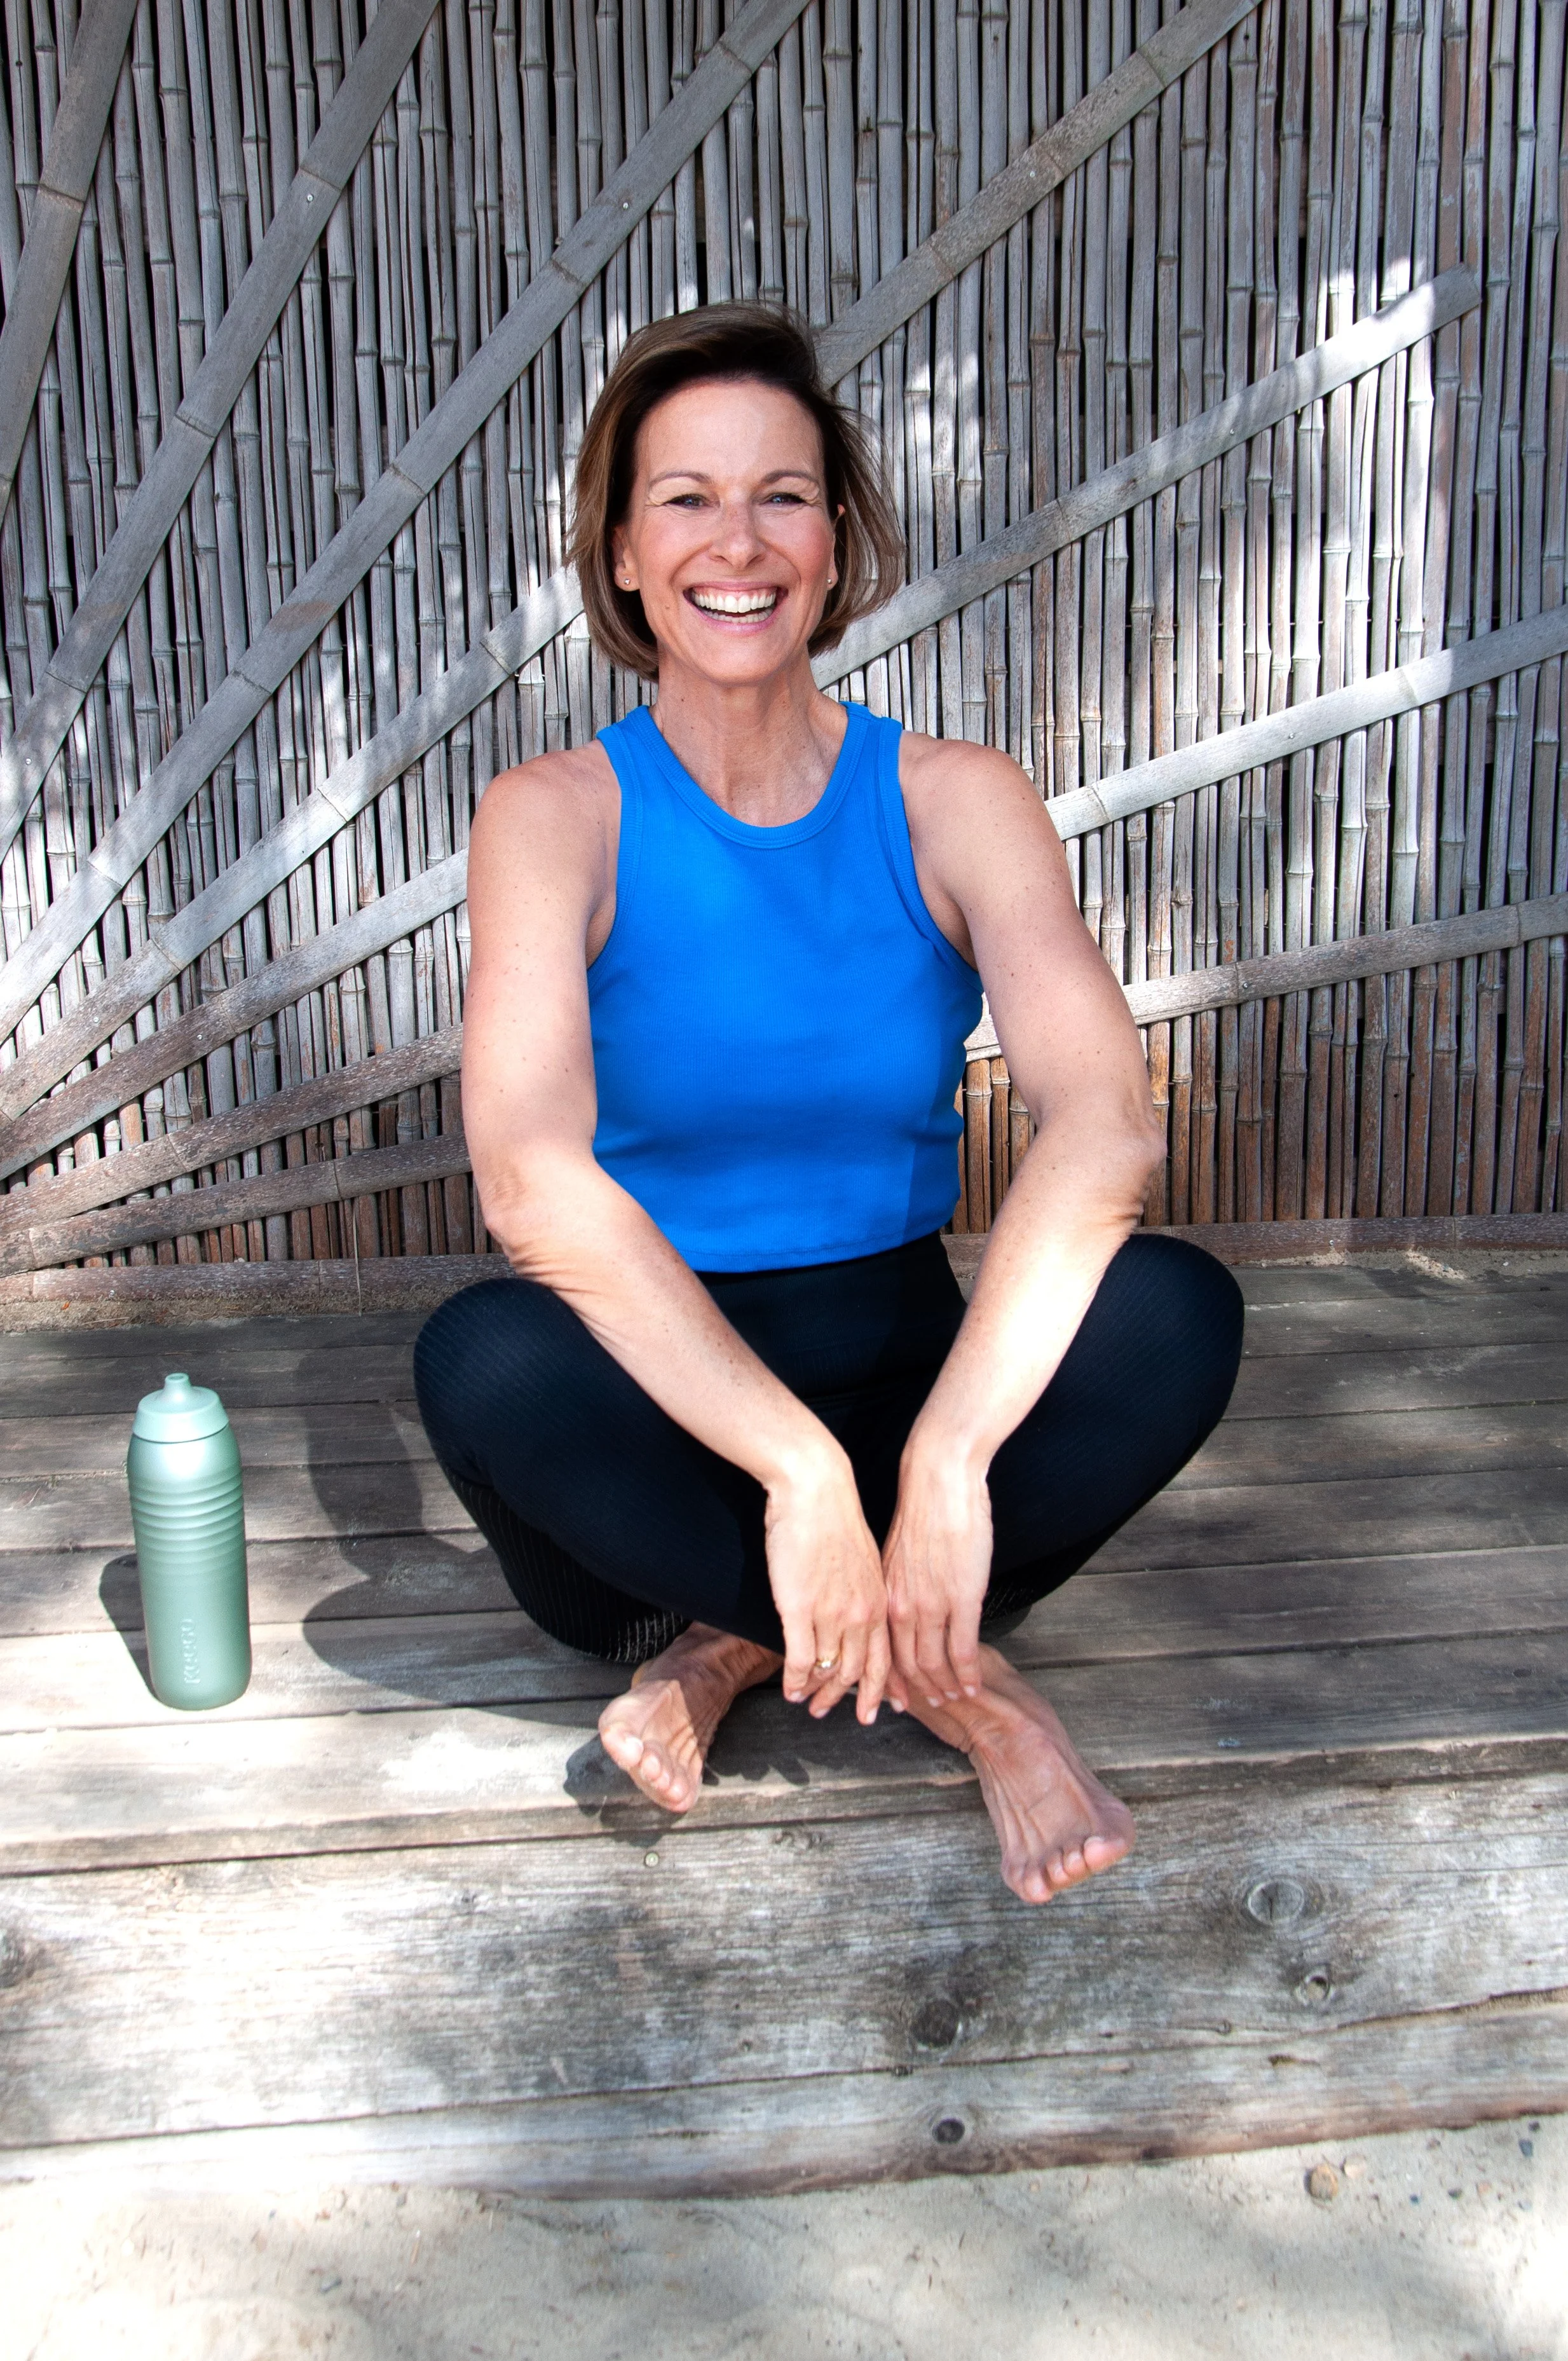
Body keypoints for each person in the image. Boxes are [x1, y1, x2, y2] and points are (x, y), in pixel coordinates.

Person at [414, 304, 1243, 1905]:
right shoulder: (550, 816)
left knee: (1176, 1314)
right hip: (658, 1412)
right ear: (624, 551)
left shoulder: (955, 798)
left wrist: (940, 1463)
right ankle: (960, 1682)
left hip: (899, 1367)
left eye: (783, 494)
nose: (740, 541)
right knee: (485, 1360)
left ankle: (733, 1651)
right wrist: (797, 1478)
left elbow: (1102, 1124)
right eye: (686, 498)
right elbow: (529, 1177)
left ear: (839, 538)